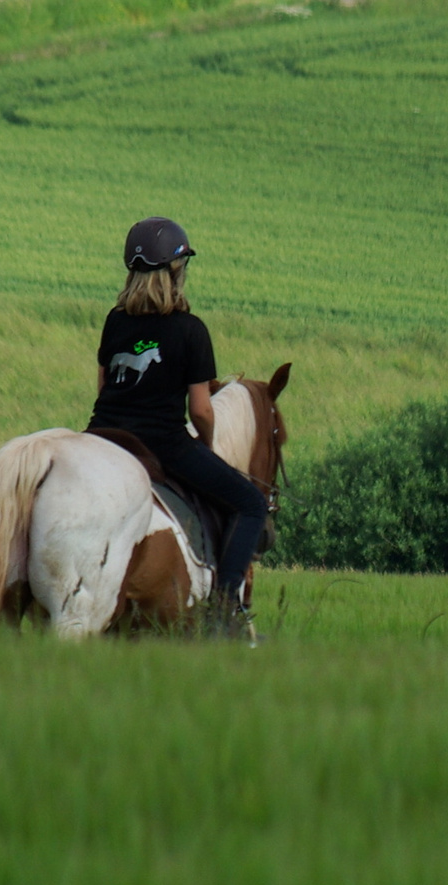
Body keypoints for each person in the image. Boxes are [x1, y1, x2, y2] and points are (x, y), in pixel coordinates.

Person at [87, 216, 268, 628]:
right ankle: (225, 611)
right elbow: (202, 410)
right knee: (251, 504)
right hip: (162, 443)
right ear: (174, 272)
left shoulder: (116, 320)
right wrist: (206, 444)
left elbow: (103, 387)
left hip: (102, 436)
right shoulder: (190, 330)